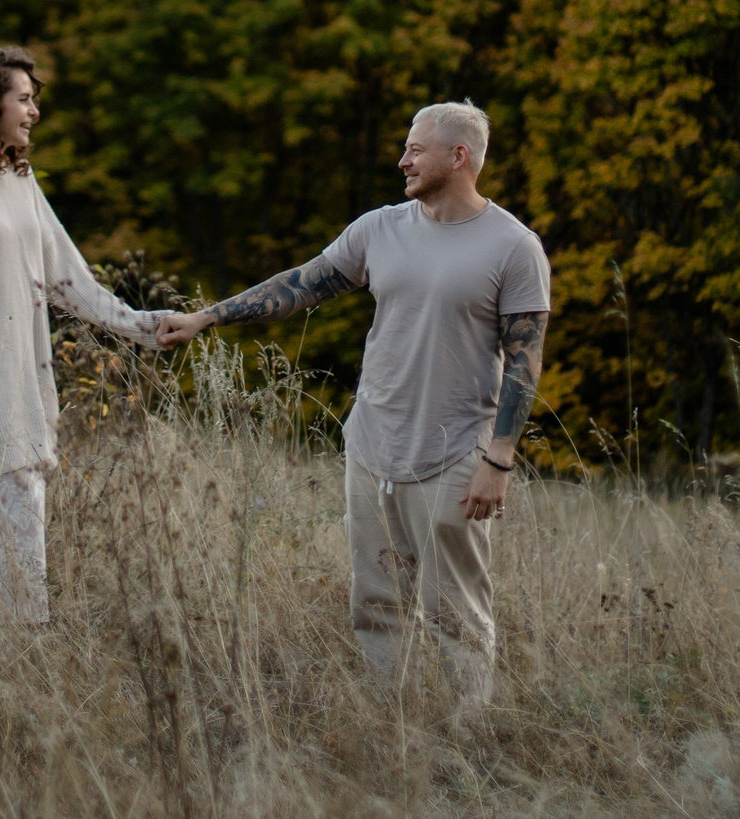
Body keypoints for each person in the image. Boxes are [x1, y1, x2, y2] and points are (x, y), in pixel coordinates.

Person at [155, 100, 548, 707]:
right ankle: (387, 730)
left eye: (415, 149)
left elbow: (525, 357)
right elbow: (301, 285)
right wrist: (207, 317)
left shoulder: (514, 247)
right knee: (376, 601)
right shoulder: (380, 228)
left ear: (458, 156)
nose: (403, 160)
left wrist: (499, 458)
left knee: (456, 611)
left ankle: (471, 743)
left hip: (455, 455)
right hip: (372, 446)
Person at [0, 46, 163, 624]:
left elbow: (70, 278)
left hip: (22, 392)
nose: (33, 111)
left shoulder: (20, 179)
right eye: (23, 98)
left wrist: (143, 328)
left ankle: (14, 665)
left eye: (33, 99)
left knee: (22, 539)